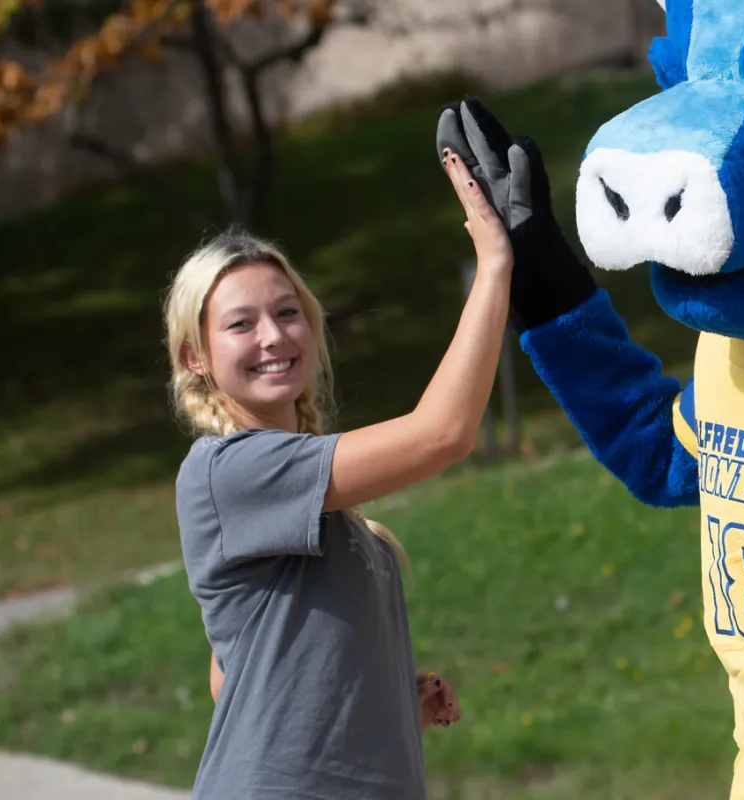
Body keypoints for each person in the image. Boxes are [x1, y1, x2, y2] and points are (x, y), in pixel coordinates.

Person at [162, 137, 512, 798]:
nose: (273, 336)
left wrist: (384, 709)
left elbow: (233, 675)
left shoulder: (309, 500)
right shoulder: (228, 471)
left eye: (288, 313)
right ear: (195, 358)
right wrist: (494, 264)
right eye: (241, 324)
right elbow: (443, 433)